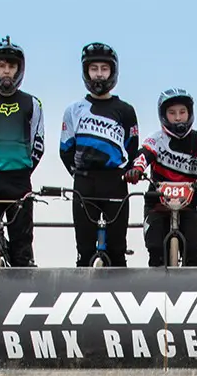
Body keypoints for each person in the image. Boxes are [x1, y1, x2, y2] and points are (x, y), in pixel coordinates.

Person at [59, 43, 141, 267]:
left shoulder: (125, 110)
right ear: (86, 72)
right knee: (84, 251)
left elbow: (132, 148)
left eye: (104, 69)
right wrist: (80, 173)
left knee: (117, 251)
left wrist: (127, 172)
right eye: (93, 68)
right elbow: (65, 149)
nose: (99, 74)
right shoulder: (74, 110)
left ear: (113, 72)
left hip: (115, 181)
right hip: (84, 181)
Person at [0, 36, 45, 267]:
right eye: (1, 66)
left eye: (11, 67)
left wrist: (22, 168)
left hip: (19, 180)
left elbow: (38, 143)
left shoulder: (33, 103)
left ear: (18, 69)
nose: (6, 72)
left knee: (23, 248)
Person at [140, 89, 197, 267]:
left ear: (190, 113)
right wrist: (135, 169)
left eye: (182, 112)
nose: (178, 118)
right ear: (163, 116)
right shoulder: (156, 139)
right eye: (172, 113)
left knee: (193, 254)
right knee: (156, 252)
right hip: (157, 205)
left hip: (189, 206)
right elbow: (142, 155)